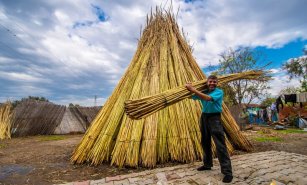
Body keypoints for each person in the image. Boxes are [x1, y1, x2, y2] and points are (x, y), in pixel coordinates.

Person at [185, 75, 233, 183]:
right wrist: (187, 88)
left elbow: (208, 99)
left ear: (217, 83)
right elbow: (190, 96)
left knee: (220, 144)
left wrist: (193, 89)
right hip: (204, 117)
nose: (212, 83)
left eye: (214, 82)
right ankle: (207, 164)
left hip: (215, 118)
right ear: (207, 82)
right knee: (205, 142)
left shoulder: (219, 92)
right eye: (210, 81)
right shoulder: (204, 92)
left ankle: (227, 172)